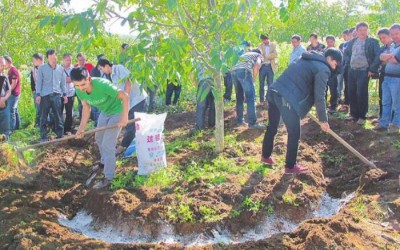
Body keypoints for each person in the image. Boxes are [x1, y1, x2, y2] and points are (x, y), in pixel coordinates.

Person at [261, 48, 342, 174]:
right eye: (335, 64)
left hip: (274, 91)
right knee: (294, 132)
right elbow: (319, 96)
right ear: (330, 58)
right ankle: (290, 166)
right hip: (286, 98)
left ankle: (265, 157)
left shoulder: (306, 58)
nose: (334, 68)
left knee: (272, 126)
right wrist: (323, 120)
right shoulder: (323, 69)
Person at [71, 67, 129, 189]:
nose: (81, 88)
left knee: (108, 144)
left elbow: (124, 96)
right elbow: (86, 108)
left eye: (83, 84)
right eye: (77, 85)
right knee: (99, 138)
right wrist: (81, 129)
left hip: (117, 111)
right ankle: (104, 162)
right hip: (105, 112)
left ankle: (109, 177)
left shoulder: (102, 85)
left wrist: (124, 117)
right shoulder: (79, 90)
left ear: (89, 79)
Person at [98, 58, 148, 149]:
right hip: (128, 103)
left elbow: (128, 83)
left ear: (106, 65)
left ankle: (124, 146)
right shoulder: (110, 77)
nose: (102, 71)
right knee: (129, 124)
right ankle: (132, 145)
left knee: (132, 126)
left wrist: (126, 100)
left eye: (102, 69)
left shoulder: (119, 68)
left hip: (137, 100)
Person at [344, 22, 380, 125]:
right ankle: (353, 114)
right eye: (360, 30)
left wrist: (372, 69)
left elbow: (378, 56)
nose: (362, 32)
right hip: (352, 70)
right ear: (357, 31)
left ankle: (362, 116)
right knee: (352, 92)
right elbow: (346, 53)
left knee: (361, 93)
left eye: (364, 30)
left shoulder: (372, 42)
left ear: (367, 30)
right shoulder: (353, 41)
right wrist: (348, 62)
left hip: (364, 71)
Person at [36, 49, 67, 141]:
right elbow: (39, 82)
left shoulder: (61, 69)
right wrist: (38, 94)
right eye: (50, 58)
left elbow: (63, 83)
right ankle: (43, 136)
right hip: (45, 95)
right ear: (47, 58)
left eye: (54, 57)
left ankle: (60, 135)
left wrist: (64, 95)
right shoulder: (42, 68)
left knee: (58, 116)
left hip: (57, 95)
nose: (53, 59)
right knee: (43, 116)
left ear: (56, 57)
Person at [375, 24, 400, 133]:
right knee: (386, 102)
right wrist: (391, 56)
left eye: (397, 33)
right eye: (392, 34)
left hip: (397, 79)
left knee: (397, 103)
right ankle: (384, 123)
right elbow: (381, 57)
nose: (394, 36)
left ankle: (395, 124)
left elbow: (394, 60)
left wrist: (388, 56)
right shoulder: (393, 46)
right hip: (387, 77)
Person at [231, 49, 265, 129]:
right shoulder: (258, 55)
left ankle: (239, 121)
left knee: (239, 98)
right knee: (251, 97)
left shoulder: (245, 55)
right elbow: (257, 65)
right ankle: (252, 123)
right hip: (244, 71)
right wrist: (253, 80)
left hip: (234, 72)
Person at [376, 28, 393, 120]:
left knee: (393, 98)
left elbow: (395, 60)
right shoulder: (382, 48)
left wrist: (386, 59)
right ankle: (383, 117)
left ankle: (392, 119)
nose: (382, 40)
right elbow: (379, 60)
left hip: (394, 76)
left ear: (390, 36)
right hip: (383, 74)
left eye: (384, 37)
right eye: (381, 38)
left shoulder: (396, 47)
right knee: (382, 96)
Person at [194, 64, 215, 131]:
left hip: (203, 81)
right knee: (213, 104)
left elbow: (194, 74)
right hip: (214, 82)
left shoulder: (199, 60)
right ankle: (212, 124)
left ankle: (199, 127)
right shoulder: (214, 56)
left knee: (201, 105)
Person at [258, 34, 278, 103]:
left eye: (265, 40)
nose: (264, 41)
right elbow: (259, 55)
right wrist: (269, 56)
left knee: (270, 84)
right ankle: (261, 100)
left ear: (268, 39)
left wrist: (266, 56)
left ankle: (268, 99)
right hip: (262, 66)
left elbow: (275, 54)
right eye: (262, 40)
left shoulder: (273, 45)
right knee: (261, 84)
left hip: (270, 66)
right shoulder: (260, 46)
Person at [4, 56, 21, 131]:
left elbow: (14, 84)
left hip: (13, 94)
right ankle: (17, 126)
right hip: (14, 93)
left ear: (8, 62)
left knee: (11, 111)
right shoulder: (10, 70)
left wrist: (8, 92)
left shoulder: (13, 70)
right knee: (15, 110)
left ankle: (11, 128)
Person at [338, 29, 352, 111]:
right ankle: (346, 104)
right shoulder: (345, 44)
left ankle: (351, 105)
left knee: (352, 87)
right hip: (346, 67)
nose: (344, 38)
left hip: (354, 67)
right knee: (346, 86)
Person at [325, 36, 339, 113]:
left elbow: (340, 63)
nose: (329, 43)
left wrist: (336, 72)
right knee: (324, 90)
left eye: (331, 41)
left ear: (334, 42)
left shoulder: (337, 51)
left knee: (333, 90)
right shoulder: (324, 51)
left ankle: (333, 106)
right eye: (328, 42)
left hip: (333, 74)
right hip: (324, 74)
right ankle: (324, 106)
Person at [61, 53, 75, 135]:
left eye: (70, 60)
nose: (69, 62)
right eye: (67, 60)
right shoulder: (59, 69)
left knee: (69, 112)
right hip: (61, 94)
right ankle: (59, 128)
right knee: (59, 111)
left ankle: (67, 129)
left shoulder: (73, 69)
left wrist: (71, 79)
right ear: (63, 60)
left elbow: (76, 79)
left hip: (70, 93)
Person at [30, 53, 44, 126]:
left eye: (34, 60)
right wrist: (33, 91)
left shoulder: (46, 68)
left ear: (39, 60)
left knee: (46, 109)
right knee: (38, 109)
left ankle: (47, 124)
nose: (33, 62)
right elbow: (32, 81)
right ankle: (38, 124)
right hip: (37, 92)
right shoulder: (33, 69)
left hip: (45, 92)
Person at [0, 56, 11, 141]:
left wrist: (4, 98)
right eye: (2, 65)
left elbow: (8, 90)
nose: (3, 67)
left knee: (6, 130)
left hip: (4, 107)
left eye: (4, 65)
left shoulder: (5, 76)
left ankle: (6, 151)